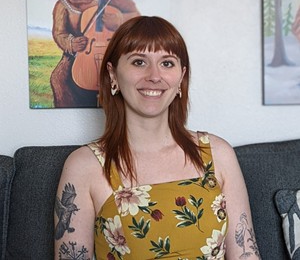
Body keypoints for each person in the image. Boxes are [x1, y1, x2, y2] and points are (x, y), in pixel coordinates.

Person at [54, 16, 260, 259]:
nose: (154, 75)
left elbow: (246, 254)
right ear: (113, 74)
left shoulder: (218, 153)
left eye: (167, 63)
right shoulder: (83, 166)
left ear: (181, 77)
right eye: (139, 62)